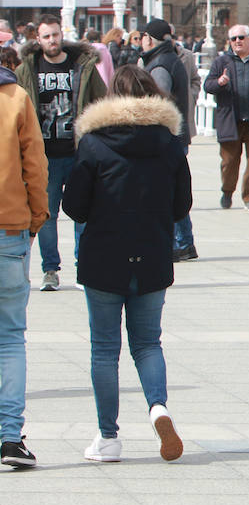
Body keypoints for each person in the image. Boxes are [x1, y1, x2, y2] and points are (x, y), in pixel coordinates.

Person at [63, 66, 192, 464]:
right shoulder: (170, 144)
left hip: (104, 255)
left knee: (105, 349)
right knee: (147, 342)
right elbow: (181, 206)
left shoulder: (94, 144)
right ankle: (158, 408)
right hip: (152, 254)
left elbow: (75, 207)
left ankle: (108, 437)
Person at [17, 14, 106, 291]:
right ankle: (50, 269)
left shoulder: (83, 66)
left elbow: (101, 103)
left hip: (80, 152)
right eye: (46, 36)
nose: (52, 41)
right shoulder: (27, 69)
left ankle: (85, 266)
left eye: (55, 35)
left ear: (61, 34)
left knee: (83, 212)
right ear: (38, 39)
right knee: (46, 214)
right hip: (44, 156)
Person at [0, 47, 47, 469]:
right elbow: (35, 163)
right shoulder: (15, 97)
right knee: (10, 337)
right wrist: (35, 218)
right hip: (8, 230)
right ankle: (10, 437)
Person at [203, 24, 249, 211]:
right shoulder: (222, 62)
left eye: (241, 38)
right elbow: (207, 85)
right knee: (229, 162)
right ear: (229, 42)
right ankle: (227, 192)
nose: (238, 41)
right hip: (230, 119)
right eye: (234, 39)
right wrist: (220, 83)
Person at [139, 20, 196, 263]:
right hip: (176, 135)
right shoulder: (172, 58)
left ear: (149, 39)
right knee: (174, 189)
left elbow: (158, 105)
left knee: (167, 191)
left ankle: (178, 243)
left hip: (166, 138)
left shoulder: (159, 64)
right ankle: (185, 242)